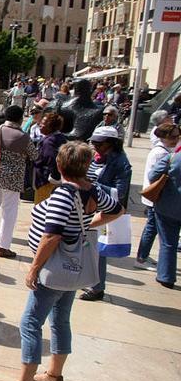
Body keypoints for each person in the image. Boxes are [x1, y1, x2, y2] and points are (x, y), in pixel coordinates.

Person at [0, 142, 123, 381]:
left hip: (56, 268)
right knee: (60, 319)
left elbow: (51, 235)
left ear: (60, 166)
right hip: (72, 268)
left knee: (30, 323)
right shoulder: (92, 189)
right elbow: (117, 209)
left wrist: (35, 267)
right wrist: (89, 225)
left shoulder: (64, 194)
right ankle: (53, 375)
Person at [79, 126, 132, 301]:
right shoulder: (96, 157)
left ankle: (97, 288)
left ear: (110, 143)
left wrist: (92, 186)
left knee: (98, 251)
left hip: (103, 211)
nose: (94, 146)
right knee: (88, 247)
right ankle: (88, 280)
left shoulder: (120, 163)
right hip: (88, 207)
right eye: (92, 142)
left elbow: (121, 192)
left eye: (98, 143)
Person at [0, 105, 37, 258]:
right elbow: (34, 156)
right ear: (19, 119)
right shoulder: (23, 137)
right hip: (13, 180)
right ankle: (3, 247)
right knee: (9, 213)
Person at [136, 123, 179, 271]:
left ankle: (143, 256)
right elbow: (155, 177)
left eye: (177, 136)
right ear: (163, 137)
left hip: (154, 196)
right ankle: (141, 258)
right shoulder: (162, 153)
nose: (176, 139)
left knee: (152, 227)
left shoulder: (162, 151)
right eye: (173, 137)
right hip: (156, 197)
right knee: (151, 228)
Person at [148, 126, 181, 289]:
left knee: (168, 243)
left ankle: (166, 276)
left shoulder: (172, 158)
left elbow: (153, 176)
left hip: (168, 206)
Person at [32, 113, 68, 204]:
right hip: (53, 182)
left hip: (45, 183)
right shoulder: (61, 138)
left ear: (50, 127)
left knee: (40, 208)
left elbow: (52, 160)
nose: (40, 125)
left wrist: (53, 178)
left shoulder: (48, 142)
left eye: (43, 123)